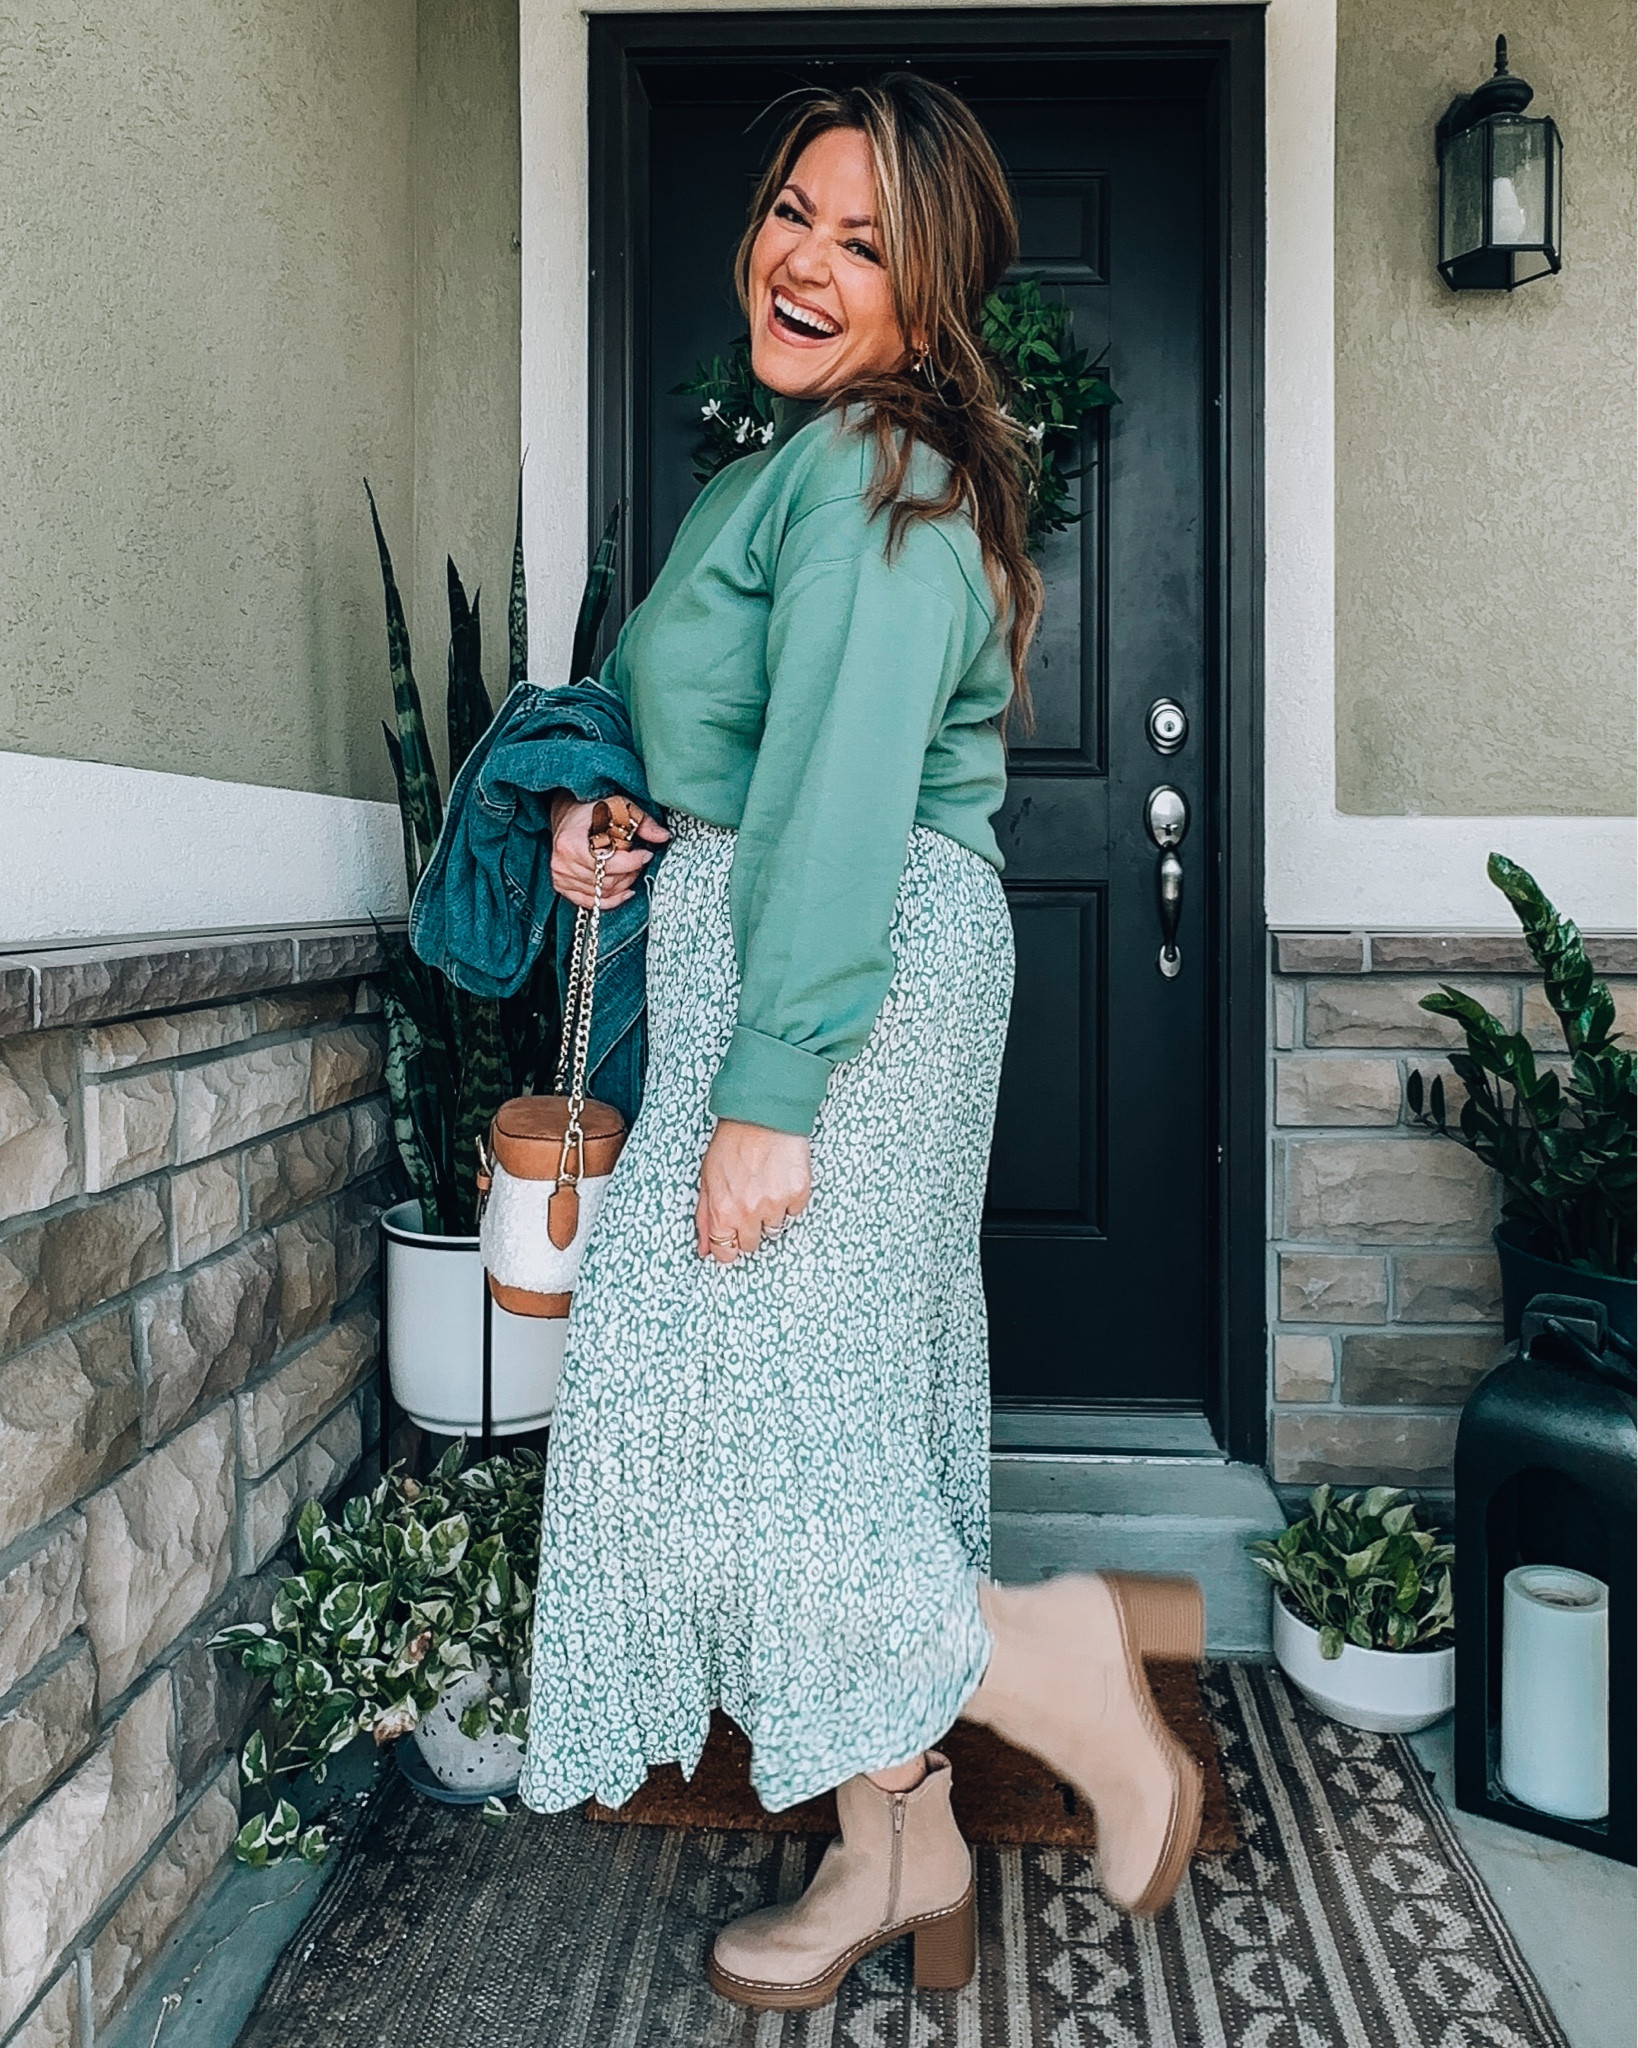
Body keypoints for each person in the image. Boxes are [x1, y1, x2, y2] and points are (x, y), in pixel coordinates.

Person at [520, 73, 1205, 2011]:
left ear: (933, 299)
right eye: (793, 214)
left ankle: (1052, 1664)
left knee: (731, 1423)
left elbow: (839, 782)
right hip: (799, 941)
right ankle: (891, 1855)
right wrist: (619, 820)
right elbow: (743, 745)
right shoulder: (798, 468)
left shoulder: (881, 472)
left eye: (867, 240)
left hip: (842, 973)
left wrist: (767, 1089)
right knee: (819, 1429)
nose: (806, 260)